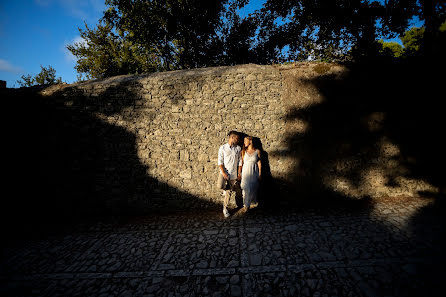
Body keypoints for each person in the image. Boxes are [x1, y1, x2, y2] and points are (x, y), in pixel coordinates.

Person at [217, 131, 242, 218]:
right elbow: (220, 162)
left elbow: (240, 162)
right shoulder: (222, 148)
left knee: (229, 192)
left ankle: (225, 208)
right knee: (220, 186)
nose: (238, 140)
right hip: (224, 173)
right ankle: (225, 188)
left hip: (233, 174)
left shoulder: (238, 148)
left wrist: (239, 173)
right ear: (232, 137)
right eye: (237, 138)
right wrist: (223, 173)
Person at [240, 135, 261, 212]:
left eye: (245, 140)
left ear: (250, 141)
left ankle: (249, 203)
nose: (244, 142)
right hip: (245, 172)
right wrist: (239, 173)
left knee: (252, 188)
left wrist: (260, 174)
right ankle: (246, 205)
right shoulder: (243, 152)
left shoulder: (257, 151)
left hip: (254, 171)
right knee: (245, 188)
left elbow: (259, 163)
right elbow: (241, 163)